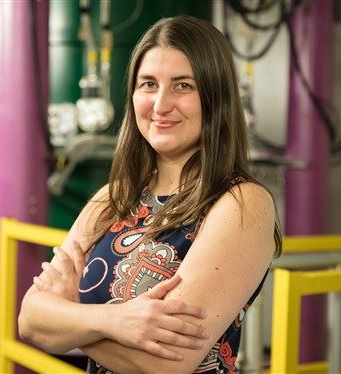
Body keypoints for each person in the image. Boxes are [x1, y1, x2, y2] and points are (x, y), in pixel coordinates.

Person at [19, 15, 282, 373]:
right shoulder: (112, 198)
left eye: (183, 85)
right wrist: (114, 322)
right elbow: (30, 321)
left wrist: (70, 320)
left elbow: (164, 364)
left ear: (215, 96)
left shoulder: (240, 204)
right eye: (148, 84)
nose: (160, 105)